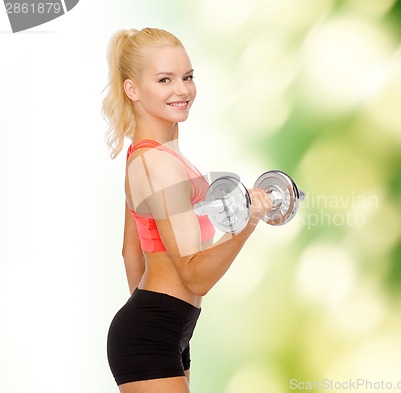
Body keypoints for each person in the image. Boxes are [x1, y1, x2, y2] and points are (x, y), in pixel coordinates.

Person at [102, 28, 273, 393]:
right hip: (156, 332)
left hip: (168, 329)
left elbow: (131, 252)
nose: (182, 90)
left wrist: (160, 320)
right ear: (133, 89)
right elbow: (195, 278)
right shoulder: (160, 164)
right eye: (165, 79)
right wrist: (248, 224)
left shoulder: (147, 155)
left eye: (188, 77)